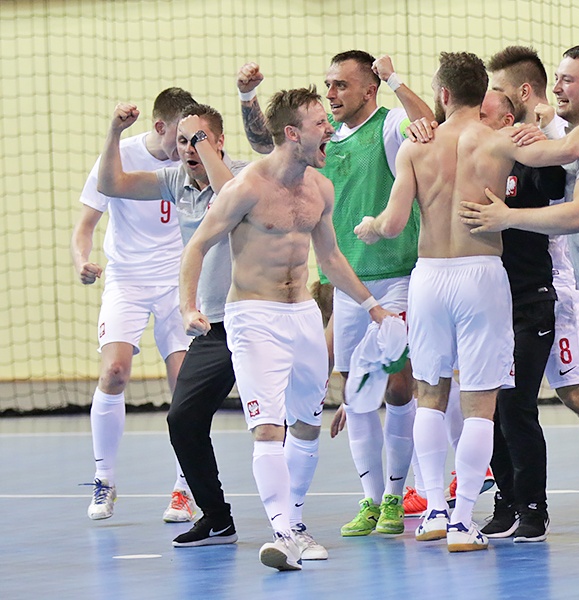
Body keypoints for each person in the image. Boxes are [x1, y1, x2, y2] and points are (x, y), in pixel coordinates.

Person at [356, 51, 579, 552]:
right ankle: (463, 524)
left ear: (442, 94)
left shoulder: (415, 148)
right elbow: (568, 150)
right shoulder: (500, 140)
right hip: (481, 274)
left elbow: (393, 224)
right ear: (480, 92)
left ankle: (436, 511)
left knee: (430, 396)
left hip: (428, 276)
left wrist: (370, 228)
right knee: (482, 402)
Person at [181, 87, 393, 571]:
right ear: (293, 133)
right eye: (321, 124)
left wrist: (372, 306)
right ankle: (281, 530)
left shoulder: (320, 187)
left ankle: (294, 523)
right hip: (253, 317)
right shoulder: (246, 188)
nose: (331, 130)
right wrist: (187, 306)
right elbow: (197, 246)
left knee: (306, 425)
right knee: (268, 427)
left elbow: (332, 257)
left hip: (302, 316)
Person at [238, 53, 434, 537]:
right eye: (327, 86)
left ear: (368, 90)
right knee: (355, 393)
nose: (331, 94)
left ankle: (397, 494)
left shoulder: (389, 127)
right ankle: (371, 501)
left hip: (398, 275)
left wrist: (395, 79)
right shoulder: (322, 142)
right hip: (348, 287)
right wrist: (247, 96)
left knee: (398, 383)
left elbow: (430, 124)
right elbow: (268, 140)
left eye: (342, 85)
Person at [96, 102, 253, 549]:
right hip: (211, 326)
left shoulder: (244, 174)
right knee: (183, 419)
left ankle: (295, 519)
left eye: (199, 138)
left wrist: (207, 153)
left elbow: (230, 200)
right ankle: (217, 518)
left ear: (219, 142)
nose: (188, 149)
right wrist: (113, 132)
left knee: (288, 421)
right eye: (183, 141)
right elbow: (112, 183)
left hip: (256, 316)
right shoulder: (175, 182)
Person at [485, 45, 579, 523]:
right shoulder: (508, 140)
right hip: (518, 287)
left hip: (558, 284)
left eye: (497, 91)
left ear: (522, 93)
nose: (488, 100)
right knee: (513, 396)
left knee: (576, 391)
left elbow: (568, 163)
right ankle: (499, 491)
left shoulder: (560, 133)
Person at [73, 87, 197, 522]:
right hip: (126, 279)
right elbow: (85, 224)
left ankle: (185, 488)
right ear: (160, 127)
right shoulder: (121, 155)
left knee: (186, 385)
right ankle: (104, 480)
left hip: (176, 283)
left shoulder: (194, 160)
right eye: (180, 138)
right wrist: (82, 262)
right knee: (115, 371)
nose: (186, 148)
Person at [473, 89, 562, 543]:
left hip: (531, 298)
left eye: (483, 113)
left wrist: (542, 135)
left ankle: (533, 506)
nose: (474, 119)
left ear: (507, 118)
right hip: (486, 301)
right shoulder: (468, 159)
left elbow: (556, 188)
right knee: (488, 410)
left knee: (516, 405)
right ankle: (505, 501)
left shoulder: (529, 157)